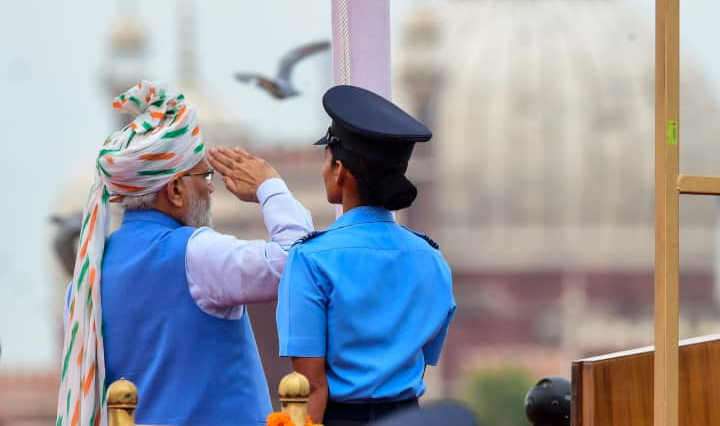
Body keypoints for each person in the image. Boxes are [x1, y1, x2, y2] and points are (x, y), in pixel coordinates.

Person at [57, 80, 313, 426]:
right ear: (176, 190)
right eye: (203, 175)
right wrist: (270, 187)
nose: (210, 187)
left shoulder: (86, 282)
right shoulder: (195, 254)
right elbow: (296, 265)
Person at [276, 85, 456, 426]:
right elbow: (425, 355)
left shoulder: (311, 259)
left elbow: (310, 387)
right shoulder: (432, 259)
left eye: (326, 159)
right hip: (409, 418)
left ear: (340, 169)